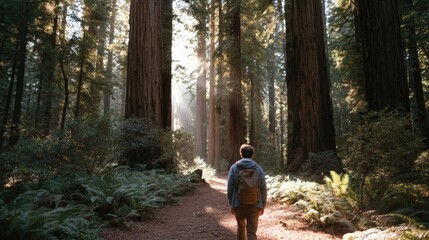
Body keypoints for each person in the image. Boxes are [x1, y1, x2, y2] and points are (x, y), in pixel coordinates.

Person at [227, 144, 267, 240]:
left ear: (241, 154)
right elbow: (263, 189)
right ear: (252, 155)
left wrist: (231, 204)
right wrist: (262, 205)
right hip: (255, 204)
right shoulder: (258, 169)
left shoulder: (234, 168)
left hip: (238, 204)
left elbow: (230, 188)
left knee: (240, 228)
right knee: (252, 232)